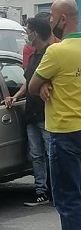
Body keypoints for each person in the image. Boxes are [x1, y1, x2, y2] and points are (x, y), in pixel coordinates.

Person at [29, 0, 81, 230]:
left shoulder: (56, 52)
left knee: (67, 198)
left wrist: (44, 84)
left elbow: (33, 85)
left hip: (64, 131)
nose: (49, 22)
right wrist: (48, 84)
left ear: (62, 19)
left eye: (52, 17)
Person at [4, 16, 53, 206]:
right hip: (31, 114)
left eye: (28, 31)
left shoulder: (50, 54)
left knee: (50, 154)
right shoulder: (32, 57)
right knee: (36, 154)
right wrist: (15, 96)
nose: (26, 35)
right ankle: (41, 190)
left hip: (46, 113)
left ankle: (54, 189)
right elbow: (28, 81)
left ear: (36, 33)